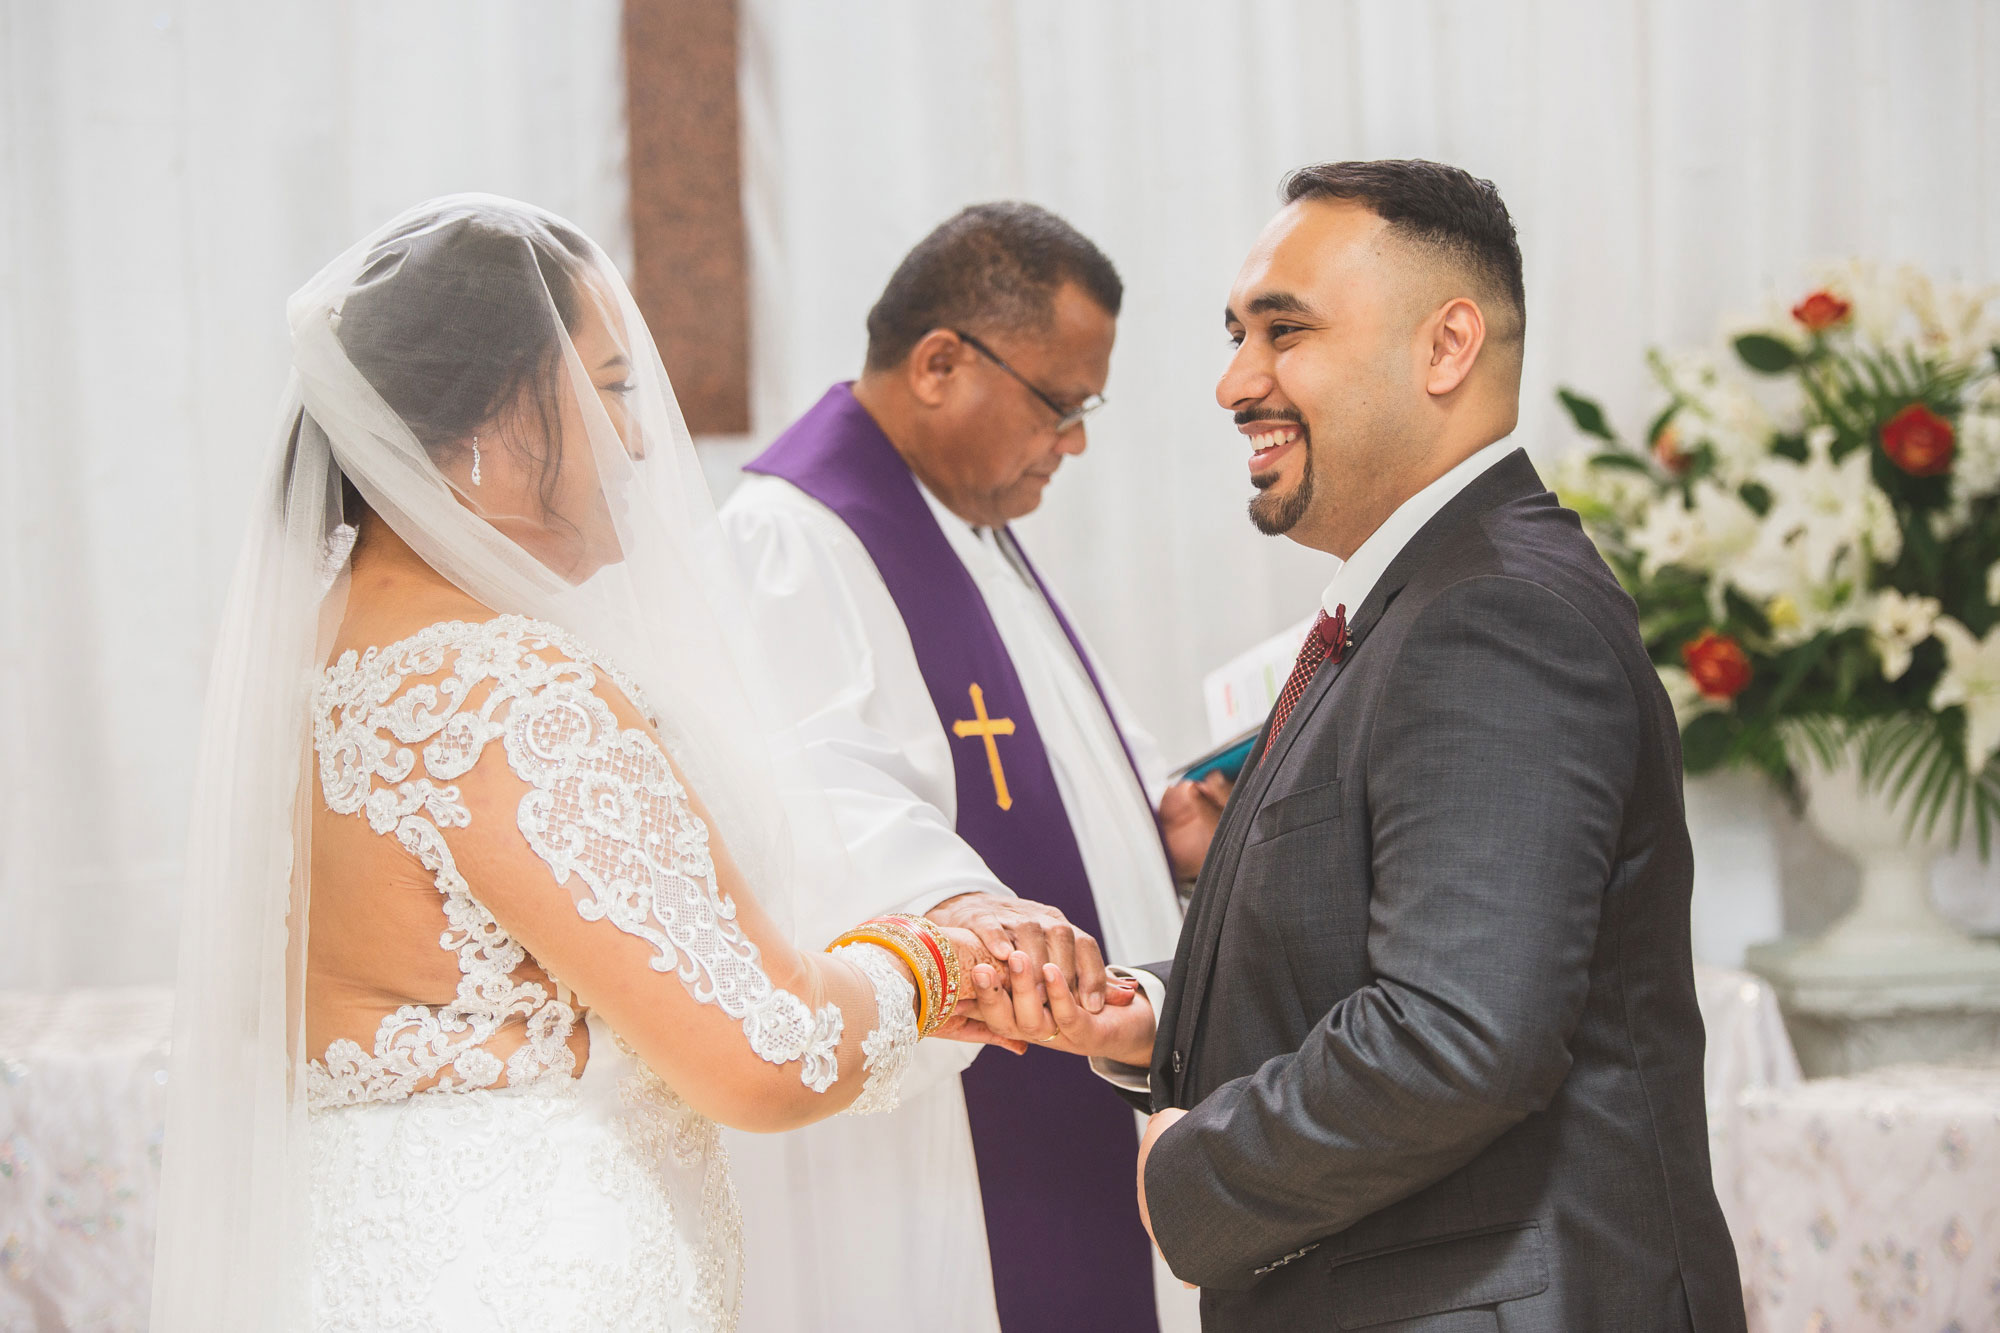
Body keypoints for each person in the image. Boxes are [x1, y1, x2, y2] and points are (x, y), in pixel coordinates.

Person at [149, 195, 1025, 1331]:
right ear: (496, 414)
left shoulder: (314, 662)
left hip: (353, 1268)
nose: (645, 436)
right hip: (534, 1282)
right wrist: (933, 967)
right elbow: (767, 1053)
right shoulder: (506, 691)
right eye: (612, 388)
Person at [975, 161, 1748, 1330]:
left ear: (1444, 348)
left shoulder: (1495, 615)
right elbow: (1395, 953)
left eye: (1283, 332)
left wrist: (1188, 1173)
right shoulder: (1425, 598)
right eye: (1237, 334)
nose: (1235, 381)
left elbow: (1458, 1035)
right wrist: (1150, 1013)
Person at [719, 202, 1220, 1333]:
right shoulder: (793, 538)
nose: (1074, 440)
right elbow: (810, 790)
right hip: (950, 1111)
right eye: (1060, 403)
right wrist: (964, 907)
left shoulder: (972, 530)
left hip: (1088, 1071)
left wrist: (1165, 818)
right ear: (941, 362)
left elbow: (1059, 759)